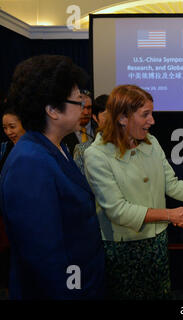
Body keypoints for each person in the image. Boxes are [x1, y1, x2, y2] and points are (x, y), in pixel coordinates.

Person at [83, 84, 183, 300]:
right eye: (145, 114)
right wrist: (170, 214)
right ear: (122, 118)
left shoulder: (151, 143)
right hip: (123, 250)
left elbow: (172, 185)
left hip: (157, 242)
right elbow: (118, 211)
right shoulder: (96, 155)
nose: (152, 121)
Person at [0, 55, 105, 299]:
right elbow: (45, 257)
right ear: (52, 110)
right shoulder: (29, 163)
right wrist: (76, 291)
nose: (83, 108)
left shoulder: (56, 147)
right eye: (78, 101)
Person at [0, 106, 26, 297]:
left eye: (12, 126)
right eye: (5, 128)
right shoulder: (3, 149)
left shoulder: (35, 150)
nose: (9, 132)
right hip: (8, 219)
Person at [73, 94, 108, 174]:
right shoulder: (82, 151)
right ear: (95, 117)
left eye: (89, 108)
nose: (86, 112)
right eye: (106, 116)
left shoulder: (125, 145)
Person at [62, 89, 96, 155]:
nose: (86, 112)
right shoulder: (64, 132)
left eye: (89, 108)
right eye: (82, 107)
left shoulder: (99, 129)